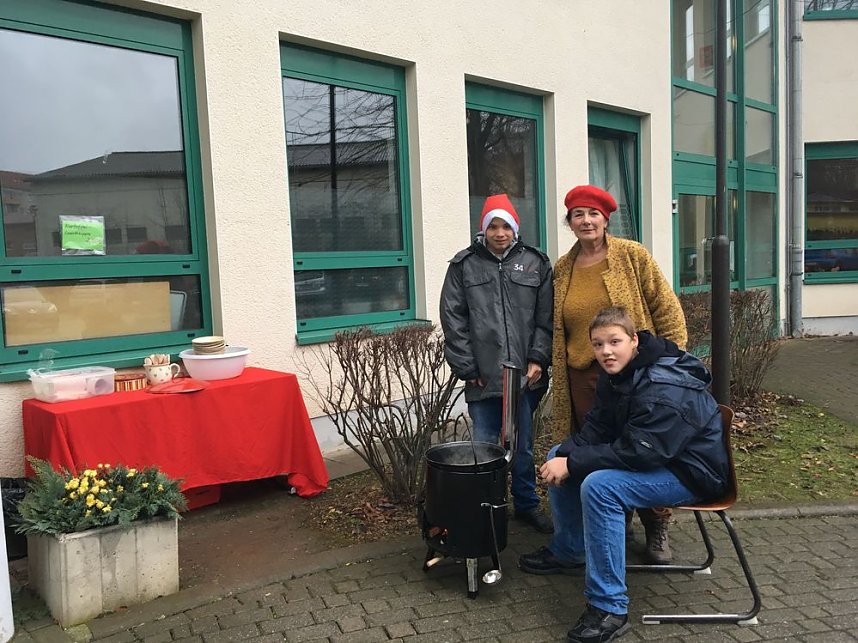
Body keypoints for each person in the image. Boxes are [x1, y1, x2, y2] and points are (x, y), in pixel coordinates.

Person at [519, 306, 729, 643]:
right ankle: (570, 550)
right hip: (659, 457)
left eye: (614, 342)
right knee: (559, 453)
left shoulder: (661, 384)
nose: (606, 351)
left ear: (634, 340)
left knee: (601, 487)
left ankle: (609, 609)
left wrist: (574, 464)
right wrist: (567, 456)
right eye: (598, 344)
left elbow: (641, 452)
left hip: (691, 473)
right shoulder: (620, 372)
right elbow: (598, 428)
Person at [551, 184, 688, 563]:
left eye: (593, 214)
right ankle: (616, 519)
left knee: (643, 444)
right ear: (569, 222)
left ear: (606, 219)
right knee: (598, 446)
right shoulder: (562, 268)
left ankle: (657, 523)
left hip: (637, 376)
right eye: (578, 214)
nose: (586, 221)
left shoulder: (631, 255)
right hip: (583, 377)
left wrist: (667, 363)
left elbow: (667, 309)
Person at [440, 193, 554, 534]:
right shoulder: (463, 266)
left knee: (522, 446)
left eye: (506, 226)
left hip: (523, 376)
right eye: (493, 226)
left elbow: (546, 317)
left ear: (515, 228)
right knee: (485, 445)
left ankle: (526, 505)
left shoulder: (536, 263)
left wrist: (538, 357)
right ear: (483, 229)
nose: (500, 233)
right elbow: (453, 319)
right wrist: (467, 368)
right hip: (483, 377)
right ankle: (487, 507)